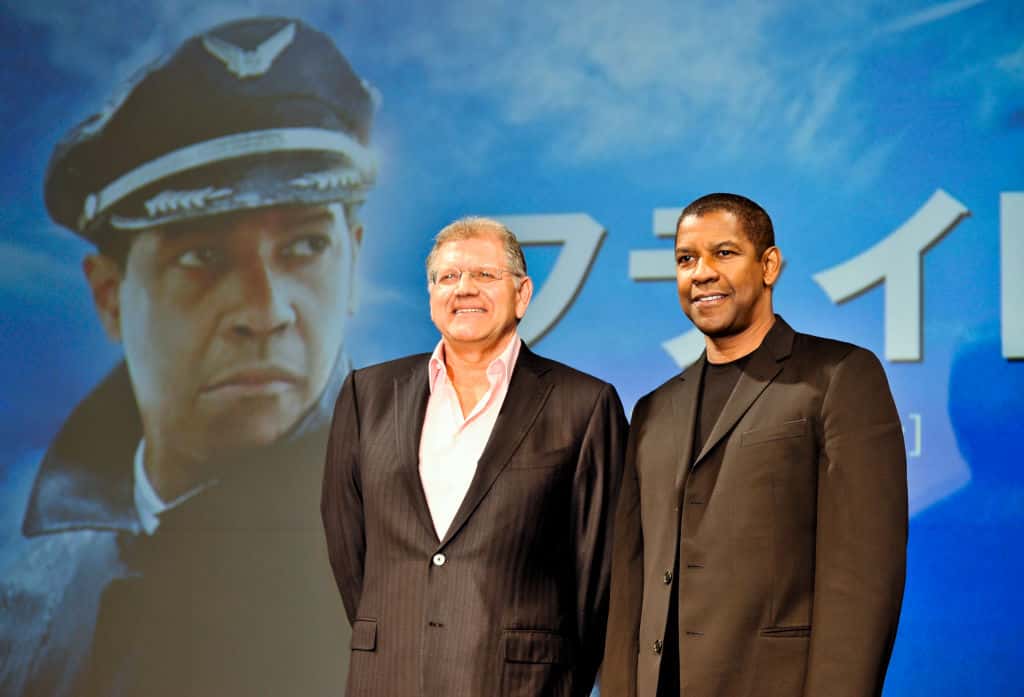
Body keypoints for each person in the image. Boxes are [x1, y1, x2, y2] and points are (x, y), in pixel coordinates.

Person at [0, 17, 376, 697]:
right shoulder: (32, 597)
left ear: (353, 258)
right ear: (109, 296)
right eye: (202, 257)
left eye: (305, 248)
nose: (265, 311)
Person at [602, 193, 908, 697]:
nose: (701, 273)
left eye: (723, 253)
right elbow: (629, 583)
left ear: (768, 265)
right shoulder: (654, 409)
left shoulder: (838, 376)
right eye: (686, 259)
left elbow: (863, 576)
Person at [321, 216, 627, 697]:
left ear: (522, 295)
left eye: (484, 275)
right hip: (389, 676)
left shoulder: (583, 404)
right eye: (448, 277)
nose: (464, 289)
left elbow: (600, 573)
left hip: (524, 682)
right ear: (431, 296)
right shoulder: (368, 395)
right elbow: (348, 544)